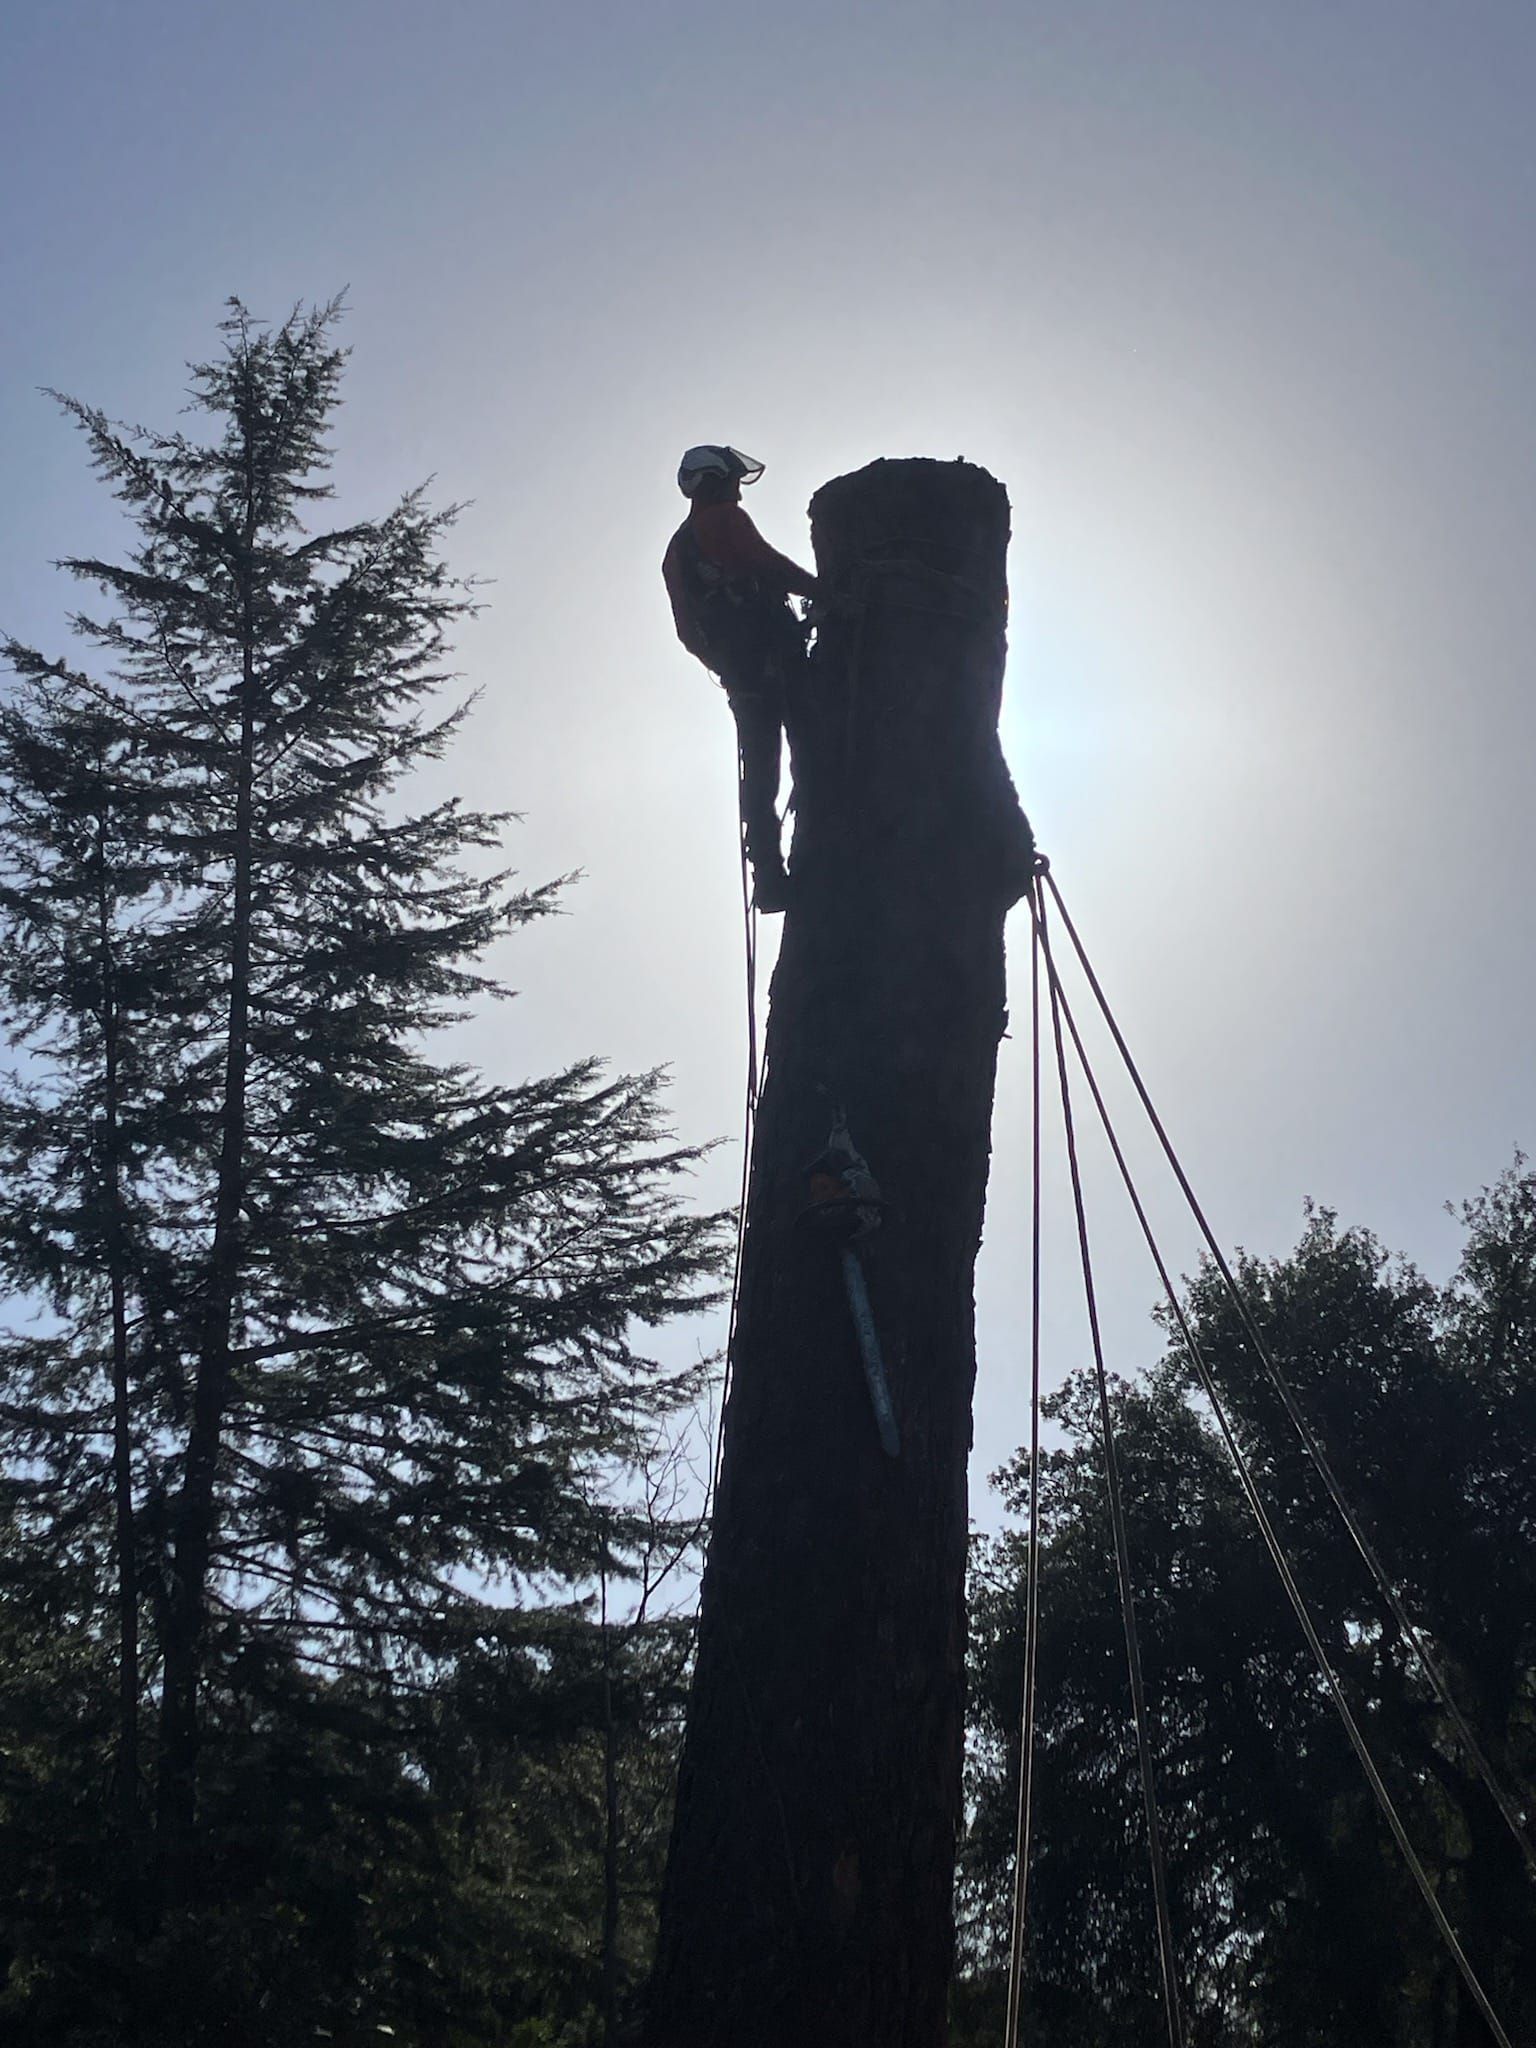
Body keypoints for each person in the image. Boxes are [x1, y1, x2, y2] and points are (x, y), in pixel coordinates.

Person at [662, 446, 818, 912]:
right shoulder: (721, 520)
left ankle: (768, 875)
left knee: (761, 773)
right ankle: (826, 830)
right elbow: (764, 563)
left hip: (744, 673)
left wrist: (729, 667)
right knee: (815, 744)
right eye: (732, 479)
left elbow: (686, 632)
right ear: (715, 480)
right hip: (776, 658)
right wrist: (824, 592)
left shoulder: (677, 551)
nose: (737, 491)